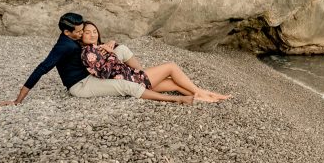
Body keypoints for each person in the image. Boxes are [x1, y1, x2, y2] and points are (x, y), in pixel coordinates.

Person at [0, 12, 193, 106]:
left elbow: (94, 50)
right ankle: (174, 100)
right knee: (127, 87)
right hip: (81, 85)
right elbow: (41, 69)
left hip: (91, 75)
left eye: (85, 30)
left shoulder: (74, 40)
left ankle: (145, 78)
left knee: (123, 56)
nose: (83, 34)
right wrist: (18, 100)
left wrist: (107, 46)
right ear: (67, 32)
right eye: (80, 31)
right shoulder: (63, 47)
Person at [78, 21, 231, 103]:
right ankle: (203, 92)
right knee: (171, 67)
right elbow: (104, 73)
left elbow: (114, 51)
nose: (92, 35)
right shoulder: (88, 52)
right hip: (129, 80)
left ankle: (205, 97)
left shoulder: (98, 47)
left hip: (130, 76)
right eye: (87, 32)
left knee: (173, 83)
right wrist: (111, 53)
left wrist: (112, 44)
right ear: (81, 36)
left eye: (94, 31)